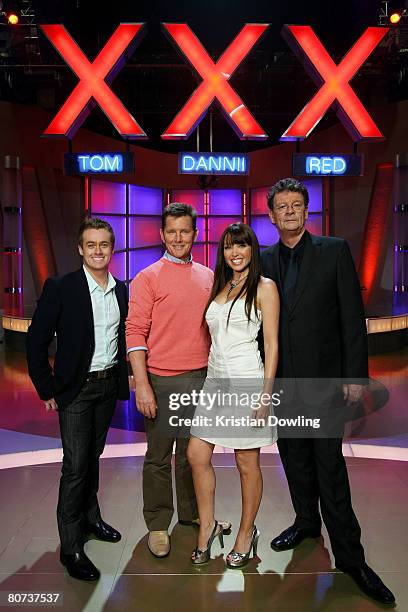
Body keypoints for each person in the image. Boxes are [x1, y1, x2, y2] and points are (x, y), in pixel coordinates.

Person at [260, 178, 395, 605]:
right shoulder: (262, 260)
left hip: (324, 385)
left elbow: (352, 319)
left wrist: (355, 377)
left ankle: (352, 558)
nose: (289, 212)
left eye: (296, 205)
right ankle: (305, 524)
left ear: (306, 211)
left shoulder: (334, 251)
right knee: (294, 460)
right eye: (281, 207)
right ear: (271, 214)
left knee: (329, 469)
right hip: (283, 386)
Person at [26, 218, 129, 582]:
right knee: (75, 467)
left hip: (107, 387)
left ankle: (91, 518)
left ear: (111, 249)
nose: (98, 250)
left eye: (104, 244)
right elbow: (36, 341)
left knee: (93, 457)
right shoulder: (61, 287)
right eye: (91, 244)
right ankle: (70, 547)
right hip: (75, 390)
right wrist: (47, 388)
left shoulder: (122, 290)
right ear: (80, 249)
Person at [126, 203, 230, 558]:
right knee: (158, 457)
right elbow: (135, 332)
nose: (178, 238)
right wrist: (141, 383)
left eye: (185, 231)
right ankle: (157, 524)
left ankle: (191, 515)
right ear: (161, 235)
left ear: (195, 234)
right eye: (171, 232)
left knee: (193, 455)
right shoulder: (147, 277)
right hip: (160, 380)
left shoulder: (207, 276)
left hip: (202, 377)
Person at [187, 223, 280, 567]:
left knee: (246, 462)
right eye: (228, 247)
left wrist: (266, 395)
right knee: (196, 454)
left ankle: (245, 532)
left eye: (242, 246)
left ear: (253, 250)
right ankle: (207, 527)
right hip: (215, 382)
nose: (235, 253)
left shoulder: (265, 287)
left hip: (248, 383)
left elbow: (271, 344)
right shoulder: (221, 285)